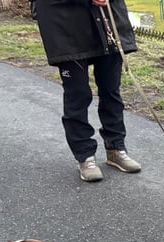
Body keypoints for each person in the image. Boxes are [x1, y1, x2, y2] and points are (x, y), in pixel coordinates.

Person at [31, 0, 141, 182]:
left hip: (107, 20)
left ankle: (116, 147)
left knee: (111, 89)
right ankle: (84, 155)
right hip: (65, 25)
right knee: (78, 94)